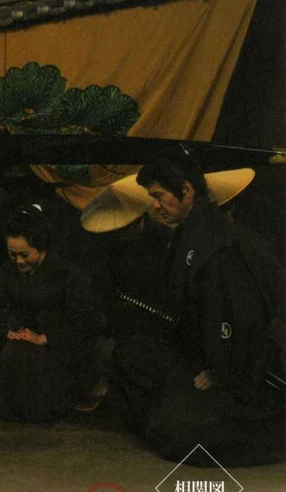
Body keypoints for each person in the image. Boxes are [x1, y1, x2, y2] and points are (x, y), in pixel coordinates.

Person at [113, 158, 284, 466]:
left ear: (187, 190)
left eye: (159, 196)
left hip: (238, 364)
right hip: (197, 352)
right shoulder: (189, 231)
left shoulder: (218, 243)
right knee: (129, 356)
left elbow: (237, 319)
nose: (154, 206)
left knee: (177, 435)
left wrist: (217, 372)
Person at [0, 206, 105, 422]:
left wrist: (45, 337)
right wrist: (10, 330)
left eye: (25, 255)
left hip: (59, 348)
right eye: (13, 255)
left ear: (41, 248)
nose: (19, 261)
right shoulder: (7, 272)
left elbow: (88, 321)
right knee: (15, 354)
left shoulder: (67, 273)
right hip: (20, 342)